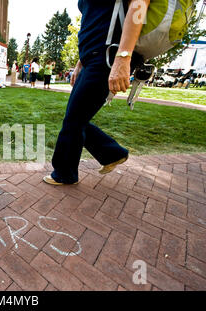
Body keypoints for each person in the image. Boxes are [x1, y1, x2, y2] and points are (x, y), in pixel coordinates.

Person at [43, 0, 151, 186]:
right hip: (92, 57)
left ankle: (65, 173)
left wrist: (123, 57)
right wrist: (80, 62)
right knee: (75, 118)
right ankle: (112, 154)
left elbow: (140, 2)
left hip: (108, 56)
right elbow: (96, 22)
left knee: (74, 120)